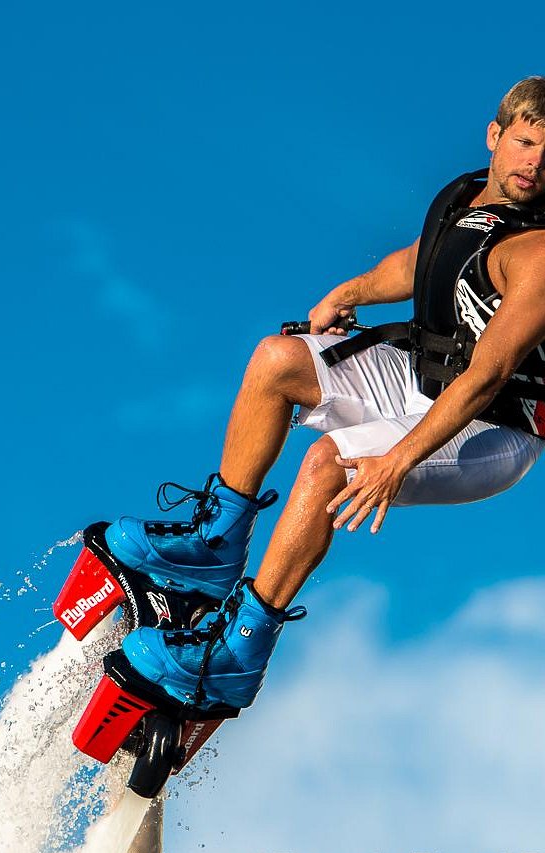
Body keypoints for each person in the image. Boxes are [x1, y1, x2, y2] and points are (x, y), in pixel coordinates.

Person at [105, 77, 545, 712]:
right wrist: (349, 292)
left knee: (328, 462)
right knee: (277, 359)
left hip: (494, 427)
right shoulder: (469, 195)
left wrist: (397, 461)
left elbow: (488, 377)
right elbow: (426, 259)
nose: (535, 163)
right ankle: (214, 546)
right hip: (423, 378)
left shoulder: (537, 254)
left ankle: (234, 656)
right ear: (495, 137)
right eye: (525, 143)